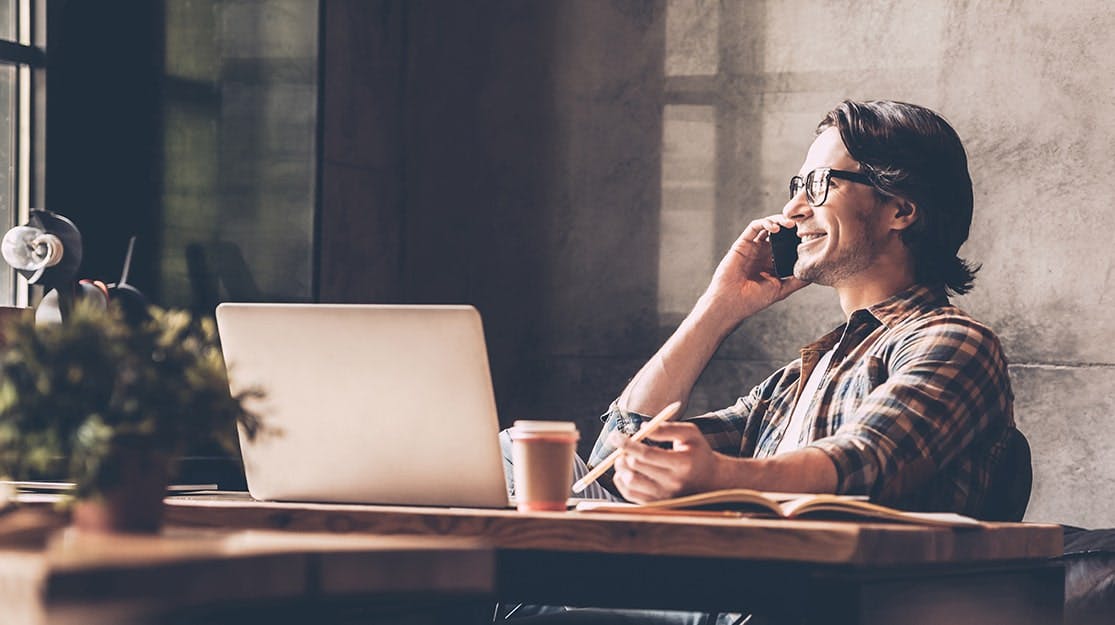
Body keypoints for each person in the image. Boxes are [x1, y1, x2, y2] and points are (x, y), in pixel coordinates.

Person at [499, 99, 1014, 624]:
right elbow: (620, 453)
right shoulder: (799, 379)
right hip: (721, 599)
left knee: (516, 600)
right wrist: (718, 308)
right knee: (511, 455)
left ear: (901, 209)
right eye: (796, 187)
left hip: (796, 607)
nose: (792, 211)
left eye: (819, 185)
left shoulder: (953, 342)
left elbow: (864, 465)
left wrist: (718, 475)